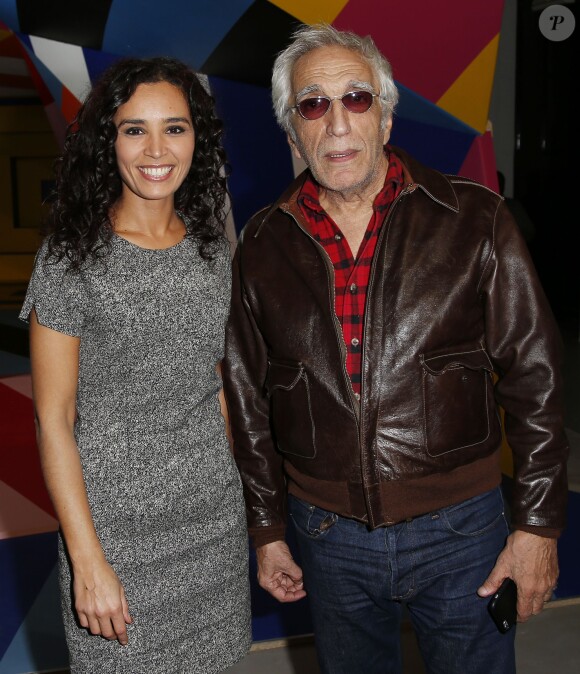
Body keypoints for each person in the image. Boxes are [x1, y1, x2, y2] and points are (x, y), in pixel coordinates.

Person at [222, 23, 569, 674]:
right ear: (292, 131)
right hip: (328, 536)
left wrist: (538, 527)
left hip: (464, 531)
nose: (337, 122)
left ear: (385, 117)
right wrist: (268, 531)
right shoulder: (262, 245)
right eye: (313, 104)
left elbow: (537, 379)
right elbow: (249, 398)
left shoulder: (476, 220)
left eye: (356, 98)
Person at [19, 57, 251, 673]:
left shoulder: (211, 249)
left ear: (196, 140)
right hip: (114, 532)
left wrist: (250, 505)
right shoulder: (71, 258)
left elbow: (217, 387)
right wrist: (87, 560)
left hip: (212, 526)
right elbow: (53, 419)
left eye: (175, 128)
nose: (156, 148)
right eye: (134, 129)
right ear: (108, 140)